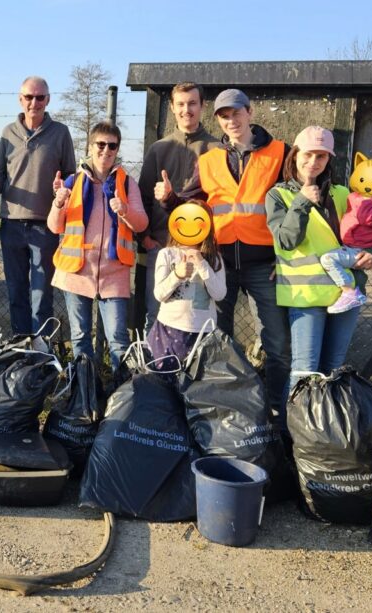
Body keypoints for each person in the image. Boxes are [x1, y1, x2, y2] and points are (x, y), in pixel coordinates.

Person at [157, 88, 290, 417]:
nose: (231, 120)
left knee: (278, 345)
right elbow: (191, 206)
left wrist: (285, 257)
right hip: (220, 265)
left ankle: (277, 413)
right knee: (218, 342)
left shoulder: (280, 153)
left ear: (250, 112)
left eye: (236, 113)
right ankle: (224, 408)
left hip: (264, 265)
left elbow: (295, 206)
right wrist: (170, 200)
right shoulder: (210, 159)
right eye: (224, 116)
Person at [266, 126, 372, 402]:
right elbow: (286, 241)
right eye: (308, 154)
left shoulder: (344, 195)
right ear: (295, 155)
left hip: (346, 295)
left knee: (333, 370)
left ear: (328, 160)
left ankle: (323, 439)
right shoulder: (278, 195)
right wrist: (302, 202)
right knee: (305, 372)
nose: (313, 162)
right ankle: (295, 439)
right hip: (306, 295)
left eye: (321, 157)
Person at [0, 76, 76, 335]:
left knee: (42, 296)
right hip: (11, 223)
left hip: (45, 225)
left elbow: (71, 175)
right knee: (16, 291)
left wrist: (63, 188)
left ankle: (41, 352)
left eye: (40, 97)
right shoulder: (7, 133)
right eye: (29, 97)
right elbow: (0, 175)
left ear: (48, 100)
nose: (34, 102)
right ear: (20, 99)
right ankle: (21, 348)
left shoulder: (61, 133)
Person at [48, 121, 147, 371]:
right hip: (76, 272)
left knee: (118, 341)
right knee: (80, 339)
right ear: (90, 147)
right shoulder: (72, 182)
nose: (106, 150)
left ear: (117, 149)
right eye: (100, 144)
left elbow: (141, 223)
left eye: (112, 146)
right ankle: (85, 394)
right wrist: (58, 203)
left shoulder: (126, 184)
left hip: (114, 275)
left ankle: (122, 397)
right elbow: (54, 227)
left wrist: (124, 211)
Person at [137, 82, 219, 333]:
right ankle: (156, 370)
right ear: (172, 107)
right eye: (181, 104)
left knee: (201, 319)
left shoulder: (217, 150)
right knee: (157, 314)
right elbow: (142, 198)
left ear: (203, 106)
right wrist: (145, 239)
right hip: (162, 248)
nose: (187, 110)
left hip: (201, 252)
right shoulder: (158, 149)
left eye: (192, 103)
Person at [147, 202, 226, 373]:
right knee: (165, 382)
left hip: (203, 334)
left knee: (196, 386)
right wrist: (177, 275)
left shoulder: (215, 259)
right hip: (168, 331)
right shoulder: (167, 254)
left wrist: (203, 265)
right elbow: (159, 294)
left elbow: (219, 294)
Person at [320, 151, 372, 313]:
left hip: (354, 256)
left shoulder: (363, 198)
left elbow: (371, 222)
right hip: (349, 251)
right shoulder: (365, 198)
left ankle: (349, 292)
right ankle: (349, 292)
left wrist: (364, 200)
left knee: (329, 259)